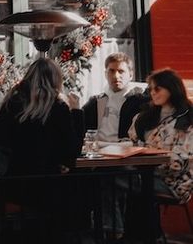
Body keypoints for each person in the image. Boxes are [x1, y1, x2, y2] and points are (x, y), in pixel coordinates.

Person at [0, 56, 82, 178]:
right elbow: (72, 150)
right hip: (46, 180)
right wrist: (76, 112)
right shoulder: (58, 108)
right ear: (56, 81)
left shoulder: (12, 103)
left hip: (12, 179)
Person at [129, 68, 193, 202]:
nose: (153, 93)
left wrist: (148, 157)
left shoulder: (187, 118)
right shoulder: (145, 117)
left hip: (174, 184)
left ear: (172, 89)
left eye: (157, 89)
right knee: (106, 176)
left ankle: (113, 224)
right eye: (150, 89)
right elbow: (132, 141)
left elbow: (182, 161)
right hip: (145, 174)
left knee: (108, 178)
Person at [79, 53, 147, 144]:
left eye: (121, 71)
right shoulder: (95, 102)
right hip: (98, 152)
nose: (116, 76)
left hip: (127, 152)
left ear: (131, 75)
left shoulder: (140, 102)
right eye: (111, 71)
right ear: (105, 74)